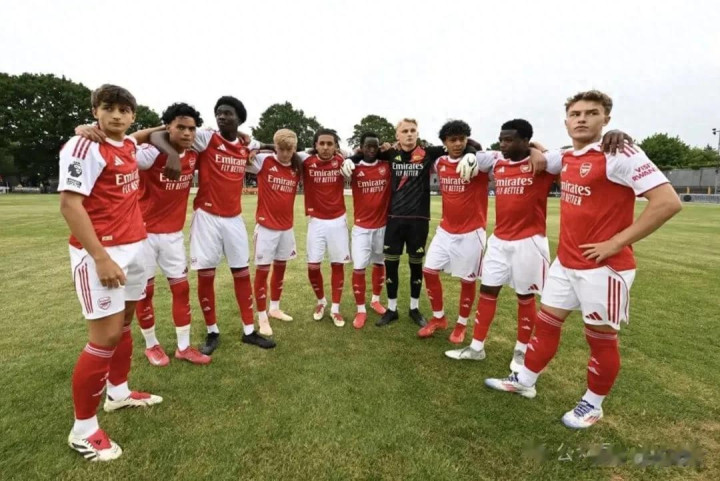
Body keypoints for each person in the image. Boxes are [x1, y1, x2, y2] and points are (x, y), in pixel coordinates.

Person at [484, 90, 682, 429]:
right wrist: (535, 149)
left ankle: (592, 405)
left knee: (600, 338)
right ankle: (525, 380)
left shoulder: (620, 153)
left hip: (605, 268)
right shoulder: (566, 156)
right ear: (566, 121)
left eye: (592, 113)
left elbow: (667, 202)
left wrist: (616, 242)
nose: (582, 119)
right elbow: (537, 154)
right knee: (547, 324)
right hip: (566, 263)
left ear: (606, 119)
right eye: (575, 114)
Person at [60, 84, 162, 461]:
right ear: (95, 111)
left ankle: (118, 393)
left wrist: (162, 127)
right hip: (101, 254)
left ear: (132, 115)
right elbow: (70, 205)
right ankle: (83, 431)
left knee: (123, 325)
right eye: (108, 108)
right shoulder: (82, 146)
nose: (116, 115)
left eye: (124, 110)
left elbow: (138, 136)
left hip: (135, 248)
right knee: (103, 338)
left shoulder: (128, 144)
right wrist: (101, 258)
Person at [149, 96, 276, 354]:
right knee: (206, 274)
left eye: (228, 113)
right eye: (219, 113)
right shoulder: (206, 138)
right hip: (206, 217)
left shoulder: (245, 144)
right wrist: (171, 154)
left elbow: (269, 145)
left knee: (242, 273)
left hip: (234, 218)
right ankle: (212, 331)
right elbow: (159, 135)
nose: (222, 117)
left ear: (239, 119)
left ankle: (249, 331)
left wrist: (261, 144)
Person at [342, 119, 479, 328]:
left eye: (412, 130)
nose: (409, 134)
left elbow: (459, 145)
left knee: (416, 266)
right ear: (397, 135)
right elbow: (368, 153)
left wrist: (470, 153)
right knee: (391, 265)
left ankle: (414, 308)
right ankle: (392, 309)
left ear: (417, 133)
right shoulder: (390, 154)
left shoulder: (429, 153)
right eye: (404, 131)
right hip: (394, 220)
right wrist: (351, 158)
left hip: (419, 221)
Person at [445, 119, 558, 366]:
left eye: (509, 140)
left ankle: (521, 350)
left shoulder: (544, 163)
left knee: (525, 296)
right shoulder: (497, 160)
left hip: (529, 242)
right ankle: (477, 347)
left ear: (525, 141)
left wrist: (537, 150)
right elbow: (471, 150)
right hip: (498, 241)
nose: (503, 144)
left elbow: (572, 155)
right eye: (501, 140)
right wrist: (472, 151)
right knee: (487, 291)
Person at [132, 103, 211, 366]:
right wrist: (166, 145)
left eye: (191, 128)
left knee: (181, 289)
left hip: (173, 235)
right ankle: (151, 345)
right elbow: (129, 141)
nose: (187, 133)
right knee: (145, 292)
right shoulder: (149, 153)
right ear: (168, 128)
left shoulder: (195, 153)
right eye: (180, 127)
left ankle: (183, 347)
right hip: (143, 235)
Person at [250, 129, 302, 335]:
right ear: (275, 147)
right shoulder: (264, 161)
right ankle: (262, 317)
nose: (285, 154)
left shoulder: (298, 163)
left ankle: (275, 308)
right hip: (266, 228)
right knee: (262, 272)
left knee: (280, 268)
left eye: (290, 149)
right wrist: (260, 148)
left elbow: (334, 152)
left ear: (295, 148)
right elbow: (243, 147)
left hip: (286, 228)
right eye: (281, 149)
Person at [302, 129, 350, 327]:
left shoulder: (342, 161)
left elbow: (362, 154)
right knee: (313, 266)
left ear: (336, 146)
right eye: (321, 143)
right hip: (316, 221)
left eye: (330, 144)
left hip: (338, 220)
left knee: (337, 265)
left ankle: (335, 309)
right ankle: (321, 301)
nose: (325, 147)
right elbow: (283, 148)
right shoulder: (306, 161)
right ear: (315, 145)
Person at [348, 132, 391, 328]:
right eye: (368, 146)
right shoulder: (353, 167)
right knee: (359, 268)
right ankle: (361, 310)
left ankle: (375, 300)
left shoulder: (386, 166)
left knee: (379, 263)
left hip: (382, 226)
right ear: (362, 147)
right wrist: (351, 158)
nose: (372, 150)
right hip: (361, 229)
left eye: (375, 146)